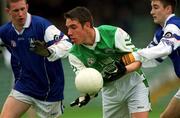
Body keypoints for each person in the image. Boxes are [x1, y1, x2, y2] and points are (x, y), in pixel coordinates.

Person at [64, 6, 151, 118]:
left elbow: (138, 60)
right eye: (68, 28)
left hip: (134, 85)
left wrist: (124, 70)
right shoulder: (74, 55)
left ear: (87, 25)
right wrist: (87, 95)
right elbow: (89, 80)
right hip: (110, 94)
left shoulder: (113, 34)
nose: (69, 32)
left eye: (73, 27)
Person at [0, 0, 72, 118]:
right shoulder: (5, 32)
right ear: (8, 11)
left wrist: (49, 52)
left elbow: (67, 44)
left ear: (27, 7)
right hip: (24, 85)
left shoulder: (41, 25)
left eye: (23, 9)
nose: (21, 14)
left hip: (49, 89)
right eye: (16, 10)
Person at [123, 0, 180, 118]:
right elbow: (151, 59)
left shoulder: (174, 25)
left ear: (168, 9)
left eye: (155, 7)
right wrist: (123, 65)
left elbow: (165, 49)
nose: (151, 12)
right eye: (151, 7)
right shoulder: (160, 33)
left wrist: (135, 55)